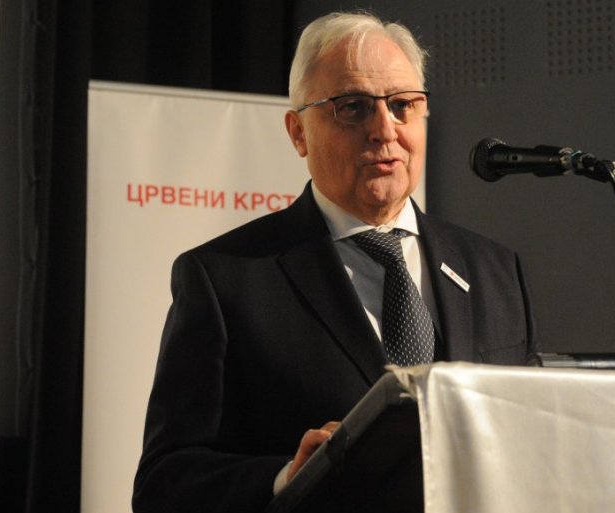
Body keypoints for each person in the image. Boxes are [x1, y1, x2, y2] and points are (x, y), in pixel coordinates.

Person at [133, 10, 538, 513]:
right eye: (353, 108)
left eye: (402, 105)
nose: (384, 130)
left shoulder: (495, 271)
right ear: (298, 133)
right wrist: (287, 477)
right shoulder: (225, 280)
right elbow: (164, 485)